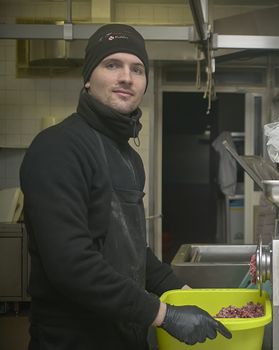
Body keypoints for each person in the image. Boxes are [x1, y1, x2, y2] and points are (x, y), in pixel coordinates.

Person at [20, 23, 231, 350]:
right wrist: (164, 314)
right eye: (112, 65)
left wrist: (187, 295)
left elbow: (133, 254)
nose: (126, 77)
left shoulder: (129, 159)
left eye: (137, 69)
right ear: (89, 77)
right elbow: (71, 264)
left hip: (127, 335)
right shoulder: (58, 148)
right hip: (73, 341)